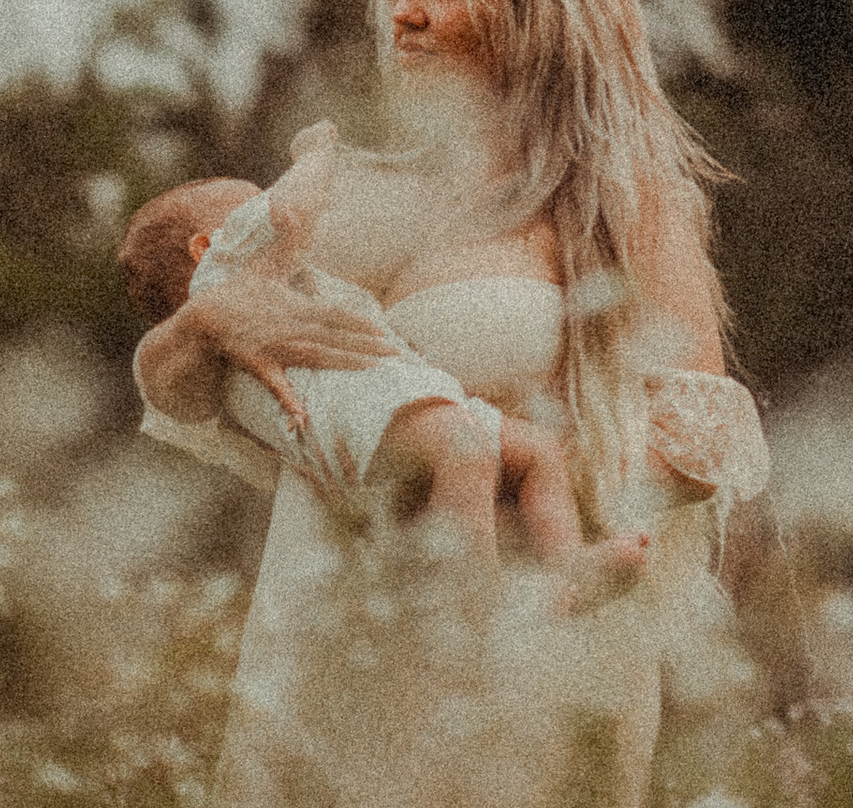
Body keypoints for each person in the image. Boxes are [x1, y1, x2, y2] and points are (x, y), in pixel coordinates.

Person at [135, 0, 770, 808]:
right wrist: (207, 320)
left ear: (531, 9)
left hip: (530, 653)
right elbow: (175, 384)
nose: (404, 10)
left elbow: (709, 427)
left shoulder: (618, 194)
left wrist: (532, 485)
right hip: (330, 655)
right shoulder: (354, 190)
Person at [118, 127, 649, 601]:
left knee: (536, 451)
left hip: (402, 399)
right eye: (251, 205)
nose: (268, 206)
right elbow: (291, 212)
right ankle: (470, 607)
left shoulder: (262, 290)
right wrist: (313, 152)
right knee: (467, 454)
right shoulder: (229, 270)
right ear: (206, 245)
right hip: (366, 408)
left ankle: (567, 567)